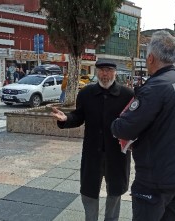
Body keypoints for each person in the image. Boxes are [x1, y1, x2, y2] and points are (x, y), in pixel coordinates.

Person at [111, 30, 175, 221]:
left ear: (150, 58)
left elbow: (124, 127)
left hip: (156, 178)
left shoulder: (155, 87)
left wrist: (116, 122)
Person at [51, 59, 134, 221]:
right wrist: (65, 118)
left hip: (117, 154)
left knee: (115, 193)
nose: (105, 74)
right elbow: (78, 116)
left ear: (115, 72)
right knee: (89, 193)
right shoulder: (86, 94)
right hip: (92, 153)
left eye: (109, 69)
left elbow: (134, 122)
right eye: (102, 70)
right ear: (96, 72)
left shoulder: (127, 95)